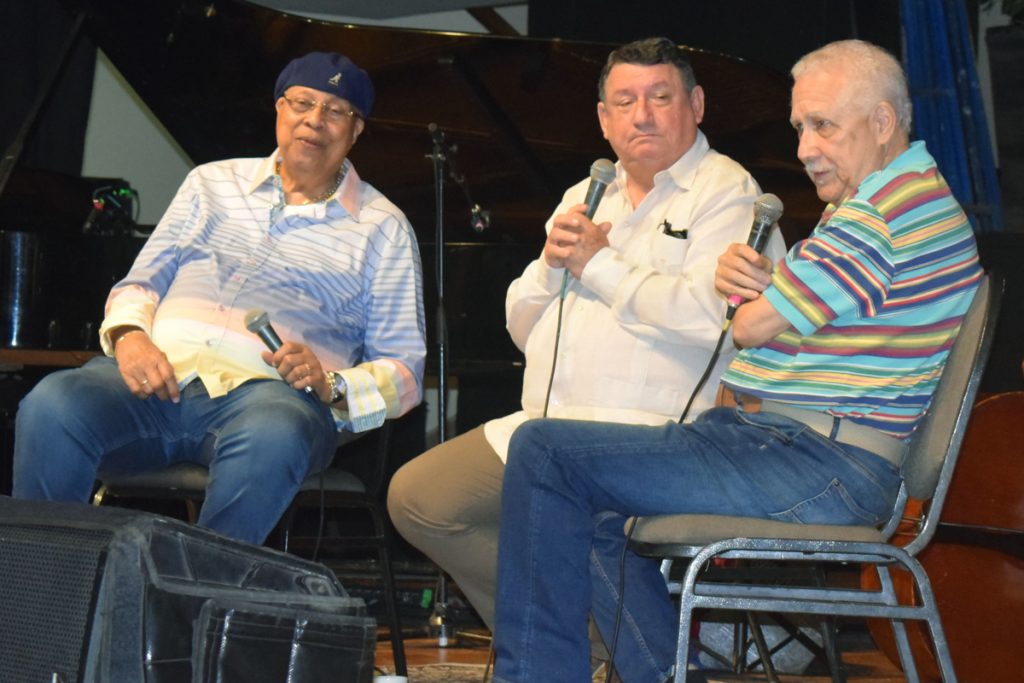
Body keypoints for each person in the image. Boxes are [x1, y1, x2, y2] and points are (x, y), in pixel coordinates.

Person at [491, 39, 984, 683]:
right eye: (801, 127)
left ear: (884, 122)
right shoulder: (890, 200)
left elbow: (748, 327)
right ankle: (667, 675)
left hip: (819, 462)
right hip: (786, 446)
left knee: (545, 453)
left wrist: (754, 293)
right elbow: (765, 326)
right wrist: (760, 291)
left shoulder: (885, 213)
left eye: (824, 126)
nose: (806, 147)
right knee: (584, 495)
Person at [387, 36, 785, 634]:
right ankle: (587, 642)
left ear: (697, 105)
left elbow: (712, 319)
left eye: (659, 97)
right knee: (421, 499)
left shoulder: (727, 191)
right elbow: (521, 327)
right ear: (603, 119)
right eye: (624, 102)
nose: (641, 115)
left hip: (651, 437)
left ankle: (592, 644)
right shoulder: (586, 192)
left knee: (561, 519)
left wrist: (599, 265)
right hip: (547, 425)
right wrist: (550, 265)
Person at [13, 52, 426, 545]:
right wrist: (129, 338)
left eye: (336, 111)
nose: (315, 120)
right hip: (155, 382)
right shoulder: (210, 183)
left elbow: (404, 374)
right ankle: (46, 600)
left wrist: (330, 383)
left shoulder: (384, 229)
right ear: (279, 109)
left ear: (356, 131)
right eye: (303, 103)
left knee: (274, 436)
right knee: (51, 404)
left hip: (270, 400)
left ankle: (197, 607)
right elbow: (139, 285)